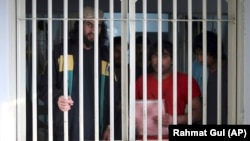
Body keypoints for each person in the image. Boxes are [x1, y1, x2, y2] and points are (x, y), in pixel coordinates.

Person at [38, 6, 120, 141]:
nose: (94, 30)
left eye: (98, 26)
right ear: (79, 24)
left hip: (98, 131)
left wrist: (110, 126)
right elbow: (44, 86)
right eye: (89, 24)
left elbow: (115, 96)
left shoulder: (105, 55)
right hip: (66, 131)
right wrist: (57, 97)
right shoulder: (61, 51)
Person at [135, 40, 202, 140]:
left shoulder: (185, 81)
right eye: (155, 56)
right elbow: (131, 110)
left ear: (172, 59)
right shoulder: (141, 81)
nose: (158, 61)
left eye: (164, 56)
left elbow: (199, 113)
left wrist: (175, 120)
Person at [193, 31, 228, 124]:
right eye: (197, 54)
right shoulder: (196, 67)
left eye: (202, 54)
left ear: (214, 51)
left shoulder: (230, 71)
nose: (199, 59)